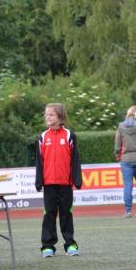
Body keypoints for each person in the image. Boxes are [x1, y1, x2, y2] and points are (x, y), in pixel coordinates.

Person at [35, 103, 82, 257]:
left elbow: (75, 159)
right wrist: (39, 181)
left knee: (66, 214)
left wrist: (77, 179)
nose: (47, 117)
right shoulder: (43, 137)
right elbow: (39, 161)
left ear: (60, 117)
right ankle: (47, 246)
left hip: (65, 184)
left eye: (51, 114)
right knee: (49, 214)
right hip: (49, 184)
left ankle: (70, 244)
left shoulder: (69, 135)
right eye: (46, 114)